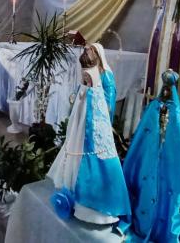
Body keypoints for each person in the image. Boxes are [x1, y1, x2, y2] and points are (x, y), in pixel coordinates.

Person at [47, 46, 130, 227]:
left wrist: (97, 103)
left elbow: (109, 96)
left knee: (95, 154)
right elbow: (82, 87)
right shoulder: (89, 72)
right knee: (77, 147)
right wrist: (80, 94)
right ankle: (75, 190)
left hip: (97, 116)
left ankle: (95, 200)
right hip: (84, 115)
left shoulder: (105, 75)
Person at [122, 69, 180, 242]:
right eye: (164, 87)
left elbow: (179, 143)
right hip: (151, 156)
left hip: (168, 160)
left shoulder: (178, 114)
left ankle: (166, 229)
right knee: (146, 185)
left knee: (170, 191)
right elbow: (145, 132)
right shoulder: (154, 107)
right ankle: (143, 223)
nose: (165, 92)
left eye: (168, 88)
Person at [90, 43, 117, 117]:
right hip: (90, 106)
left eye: (92, 51)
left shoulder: (106, 73)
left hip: (100, 109)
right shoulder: (91, 70)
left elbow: (110, 93)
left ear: (98, 54)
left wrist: (107, 108)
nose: (89, 53)